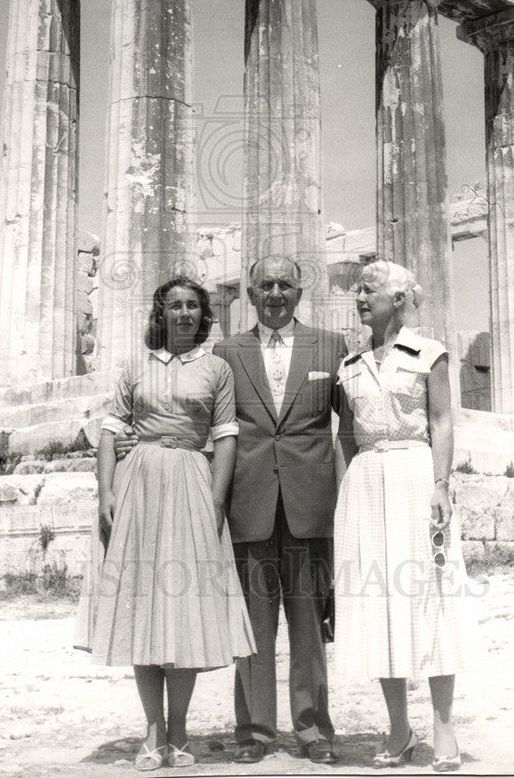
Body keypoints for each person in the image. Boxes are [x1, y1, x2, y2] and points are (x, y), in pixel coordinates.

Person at [74, 276, 255, 771]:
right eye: (174, 306)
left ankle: (180, 732)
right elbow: (112, 431)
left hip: (193, 483)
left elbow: (226, 437)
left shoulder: (217, 369)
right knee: (141, 608)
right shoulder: (135, 365)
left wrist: (215, 504)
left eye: (193, 306)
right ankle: (152, 732)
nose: (184, 314)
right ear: (161, 314)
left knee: (183, 612)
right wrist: (106, 492)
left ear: (204, 314)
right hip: (139, 487)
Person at [334, 261, 479, 773]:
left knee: (430, 594)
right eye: (357, 290)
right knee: (379, 602)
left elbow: (442, 420)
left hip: (417, 477)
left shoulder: (429, 353)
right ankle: (399, 727)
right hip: (365, 484)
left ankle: (442, 726)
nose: (358, 297)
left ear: (397, 299)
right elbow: (345, 437)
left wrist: (442, 484)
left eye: (368, 290)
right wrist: (343, 495)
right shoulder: (348, 364)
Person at [212, 255, 347, 765]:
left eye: (284, 285)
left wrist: (347, 501)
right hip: (249, 504)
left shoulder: (331, 347)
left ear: (299, 291)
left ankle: (314, 731)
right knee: (253, 627)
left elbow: (351, 429)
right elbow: (214, 432)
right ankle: (254, 732)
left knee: (310, 626)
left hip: (311, 505)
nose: (274, 293)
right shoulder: (226, 352)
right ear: (249, 294)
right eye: (265, 285)